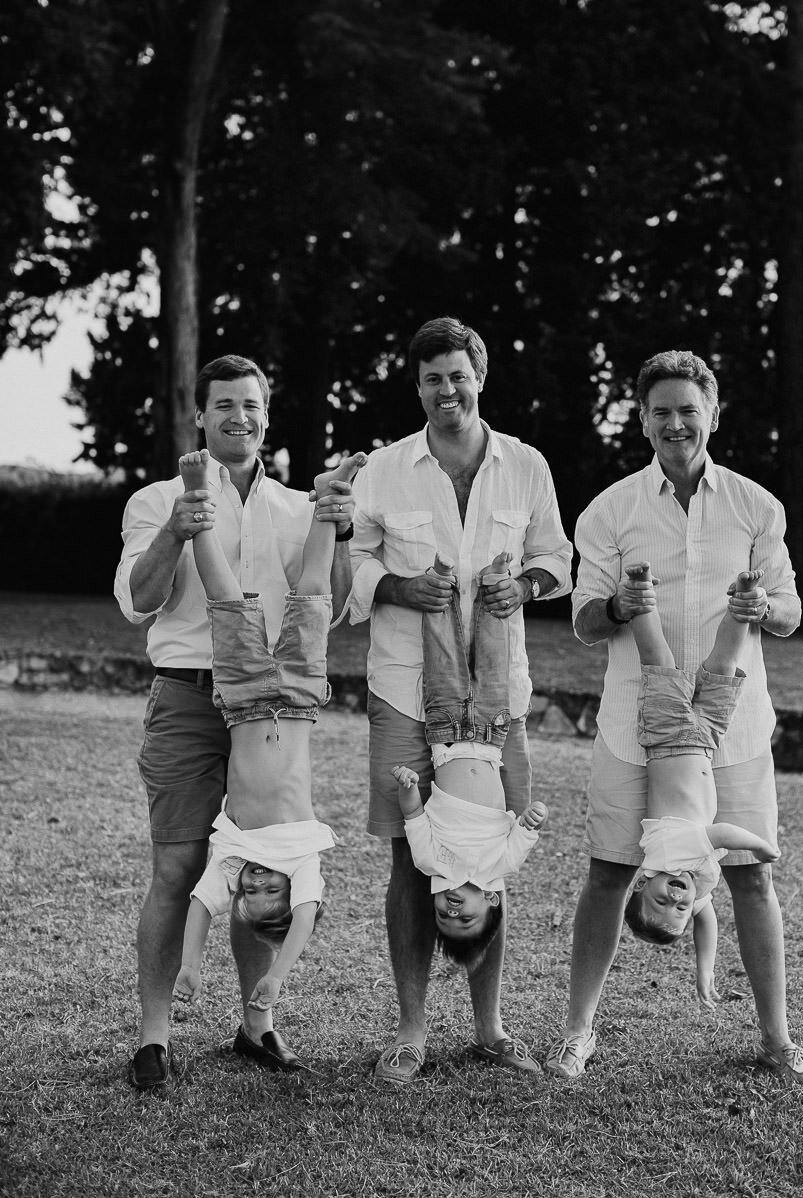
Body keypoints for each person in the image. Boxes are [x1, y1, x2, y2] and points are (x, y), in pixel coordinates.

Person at [546, 349, 803, 1086]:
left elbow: (791, 610)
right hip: (635, 722)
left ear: (713, 415)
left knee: (751, 882)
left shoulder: (758, 507)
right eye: (661, 411)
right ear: (643, 420)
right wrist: (615, 609)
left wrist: (765, 608)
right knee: (608, 874)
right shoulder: (609, 510)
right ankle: (578, 1033)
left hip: (734, 722)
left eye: (688, 411)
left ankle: (776, 1040)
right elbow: (581, 621)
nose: (676, 424)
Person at [115, 354, 357, 1091]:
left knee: (269, 864)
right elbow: (138, 600)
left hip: (274, 710)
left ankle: (257, 1026)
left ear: (266, 413)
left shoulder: (294, 507)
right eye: (224, 405)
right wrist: (174, 534)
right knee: (179, 869)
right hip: (190, 695)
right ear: (201, 414)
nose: (239, 417)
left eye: (250, 405)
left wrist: (340, 532)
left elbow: (333, 605)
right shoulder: (154, 500)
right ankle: (155, 1038)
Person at [350, 316, 573, 1085]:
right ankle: (411, 1029)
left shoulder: (527, 465)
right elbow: (354, 563)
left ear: (481, 377)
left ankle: (489, 1027)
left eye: (459, 375)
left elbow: (557, 556)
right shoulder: (382, 469)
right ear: (418, 386)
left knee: (487, 857)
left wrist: (531, 584)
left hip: (499, 694)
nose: (449, 389)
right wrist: (399, 587)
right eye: (433, 378)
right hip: (402, 687)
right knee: (410, 862)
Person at [172, 447, 366, 1030]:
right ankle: (327, 496)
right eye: (267, 892)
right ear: (287, 888)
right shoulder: (301, 860)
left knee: (225, 602)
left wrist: (189, 967)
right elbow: (305, 920)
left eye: (248, 893)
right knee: (313, 595)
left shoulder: (232, 856)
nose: (255, 883)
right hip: (301, 703)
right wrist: (274, 977)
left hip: (241, 703)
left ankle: (199, 494)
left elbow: (201, 907)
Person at [621, 562, 779, 1006]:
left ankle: (639, 594)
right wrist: (703, 970)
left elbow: (723, 834)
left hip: (668, 737)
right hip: (706, 740)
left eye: (662, 900)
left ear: (642, 884)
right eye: (679, 908)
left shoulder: (665, 855)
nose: (677, 899)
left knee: (659, 662)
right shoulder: (694, 879)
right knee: (723, 666)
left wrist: (764, 849)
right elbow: (705, 917)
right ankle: (744, 598)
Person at [392, 553, 550, 970]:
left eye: (445, 917)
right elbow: (526, 830)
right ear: (491, 900)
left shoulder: (429, 863)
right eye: (466, 917)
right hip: (493, 734)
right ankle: (494, 581)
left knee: (442, 656)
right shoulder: (503, 864)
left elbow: (414, 819)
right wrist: (533, 818)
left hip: (444, 732)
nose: (452, 909)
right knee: (493, 658)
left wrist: (409, 789)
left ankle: (441, 585)